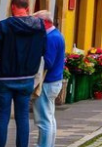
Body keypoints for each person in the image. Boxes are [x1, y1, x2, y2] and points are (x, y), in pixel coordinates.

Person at [0, 0, 46, 147]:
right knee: (22, 118)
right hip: (26, 77)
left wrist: (3, 58)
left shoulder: (4, 26)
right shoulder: (39, 26)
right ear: (27, 8)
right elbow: (43, 50)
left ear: (13, 7)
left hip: (4, 78)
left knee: (3, 118)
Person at [31, 11, 64, 147]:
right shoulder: (56, 35)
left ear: (44, 22)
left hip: (47, 82)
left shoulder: (50, 38)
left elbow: (47, 63)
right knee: (49, 117)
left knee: (43, 120)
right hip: (54, 81)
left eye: (35, 22)